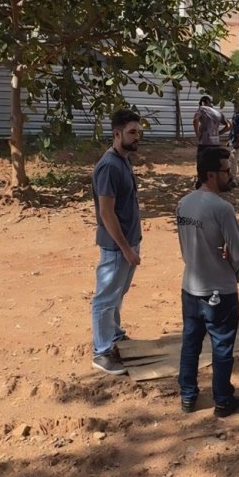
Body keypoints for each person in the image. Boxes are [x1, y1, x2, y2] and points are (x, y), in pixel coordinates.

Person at [176, 146, 239, 417]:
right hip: (219, 291)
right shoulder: (222, 208)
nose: (230, 175)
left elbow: (185, 245)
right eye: (226, 171)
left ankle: (188, 395)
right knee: (222, 346)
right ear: (210, 175)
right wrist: (233, 274)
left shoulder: (184, 203)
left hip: (190, 287)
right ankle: (222, 400)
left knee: (190, 343)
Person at [90, 109, 142, 375]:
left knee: (117, 294)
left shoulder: (124, 161)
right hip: (115, 247)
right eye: (132, 132)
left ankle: (115, 335)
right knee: (105, 297)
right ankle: (101, 351)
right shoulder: (109, 166)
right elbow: (106, 213)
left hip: (128, 243)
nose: (137, 137)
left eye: (138, 131)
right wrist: (125, 249)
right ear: (116, 133)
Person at [193, 95, 229, 171]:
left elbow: (195, 120)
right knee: (213, 164)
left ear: (203, 103)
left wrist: (198, 134)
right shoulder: (218, 113)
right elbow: (229, 126)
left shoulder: (202, 109)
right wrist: (219, 133)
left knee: (202, 163)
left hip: (205, 142)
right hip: (216, 143)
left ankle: (201, 181)